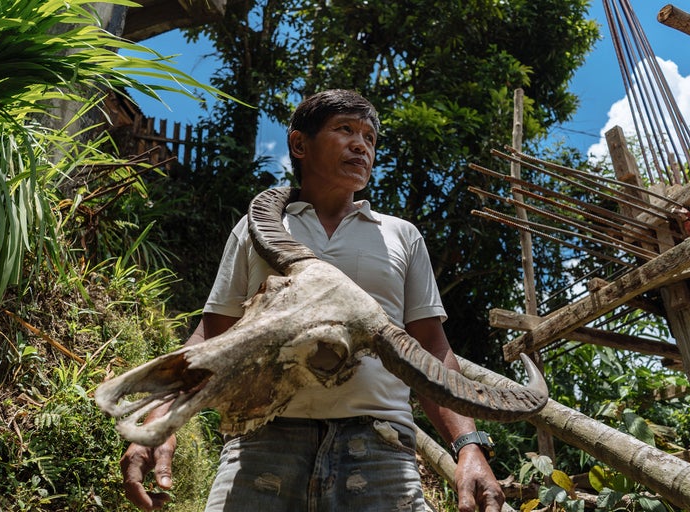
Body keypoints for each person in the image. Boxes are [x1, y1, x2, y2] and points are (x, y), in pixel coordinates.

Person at [120, 89, 505, 512]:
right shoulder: (256, 230)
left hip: (380, 452)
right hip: (262, 445)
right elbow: (213, 337)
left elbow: (431, 348)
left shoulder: (401, 235)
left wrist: (468, 446)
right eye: (345, 130)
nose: (361, 144)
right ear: (300, 144)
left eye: (370, 138)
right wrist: (161, 418)